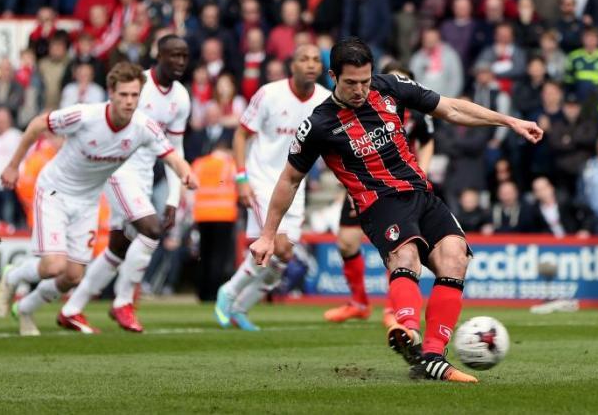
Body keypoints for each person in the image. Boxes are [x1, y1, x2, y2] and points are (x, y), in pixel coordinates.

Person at [250, 38, 542, 383]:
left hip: (420, 193)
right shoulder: (318, 125)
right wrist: (268, 234)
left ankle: (432, 356)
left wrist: (508, 121)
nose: (360, 90)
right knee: (406, 258)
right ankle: (407, 330)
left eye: (365, 81)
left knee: (455, 256)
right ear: (332, 77)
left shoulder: (392, 86)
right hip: (379, 203)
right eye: (350, 83)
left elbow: (451, 108)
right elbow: (289, 180)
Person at [0, 62, 198, 336]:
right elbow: (37, 125)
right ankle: (13, 276)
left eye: (134, 95)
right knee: (54, 265)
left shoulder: (143, 127)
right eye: (123, 94)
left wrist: (186, 174)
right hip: (55, 190)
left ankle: (27, 308)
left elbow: (172, 155)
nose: (129, 101)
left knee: (72, 276)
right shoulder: (85, 116)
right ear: (110, 93)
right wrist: (12, 166)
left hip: (88, 201)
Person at [55, 35, 192, 334]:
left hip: (143, 177)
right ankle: (124, 301)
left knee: (119, 247)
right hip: (118, 167)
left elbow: (175, 148)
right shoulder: (136, 84)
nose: (180, 61)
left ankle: (71, 309)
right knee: (152, 230)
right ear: (158, 54)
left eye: (184, 56)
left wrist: (173, 196)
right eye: (174, 55)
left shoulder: (181, 97)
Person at [213, 44, 330, 331]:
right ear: (293, 65)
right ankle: (228, 292)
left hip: (295, 183)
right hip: (263, 178)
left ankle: (240, 308)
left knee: (285, 255)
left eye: (316, 60)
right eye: (304, 59)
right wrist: (241, 178)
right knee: (275, 245)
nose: (311, 64)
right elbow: (241, 136)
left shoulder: (327, 100)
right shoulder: (269, 94)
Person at [323, 63, 435, 325]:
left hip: (403, 187)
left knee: (401, 246)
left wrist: (423, 171)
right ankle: (360, 303)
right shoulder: (365, 111)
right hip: (364, 188)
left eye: (405, 79)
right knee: (346, 242)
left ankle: (393, 308)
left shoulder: (417, 113)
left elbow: (428, 140)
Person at [191, 137, 238, 301]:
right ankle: (213, 292)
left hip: (202, 214)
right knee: (219, 255)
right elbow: (239, 183)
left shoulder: (199, 163)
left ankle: (202, 292)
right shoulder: (230, 164)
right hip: (224, 214)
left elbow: (189, 186)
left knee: (204, 253)